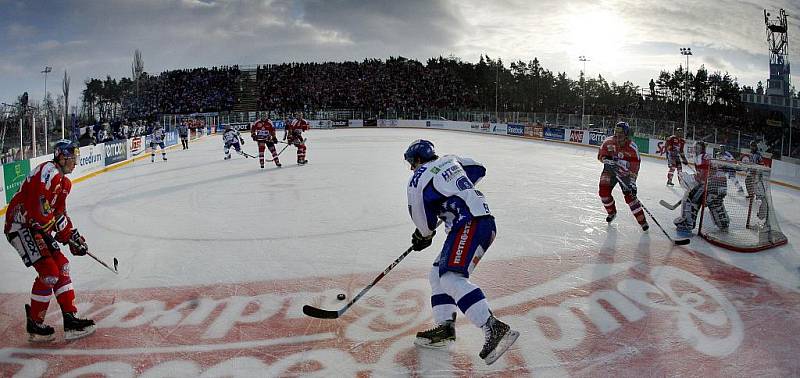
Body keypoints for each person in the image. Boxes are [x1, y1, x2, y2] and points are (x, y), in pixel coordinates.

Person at [404, 139, 519, 365]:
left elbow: (424, 224)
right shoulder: (450, 159)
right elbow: (478, 169)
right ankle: (445, 328)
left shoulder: (418, 178)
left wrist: (422, 236)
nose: (410, 168)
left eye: (411, 162)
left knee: (450, 278)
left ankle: (493, 327)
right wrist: (455, 193)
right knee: (437, 274)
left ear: (417, 160)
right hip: (481, 221)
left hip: (470, 223)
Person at [4, 139, 96, 342]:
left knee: (62, 266)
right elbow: (38, 207)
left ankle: (70, 319)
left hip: (36, 227)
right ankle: (35, 324)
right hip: (20, 226)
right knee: (49, 272)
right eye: (73, 158)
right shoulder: (48, 172)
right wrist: (60, 233)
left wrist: (71, 236)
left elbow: (58, 213)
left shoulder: (64, 183)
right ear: (62, 157)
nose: (76, 162)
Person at [598, 122, 649, 230]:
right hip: (610, 171)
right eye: (616, 133)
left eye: (620, 133)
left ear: (626, 135)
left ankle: (642, 222)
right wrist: (605, 159)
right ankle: (611, 212)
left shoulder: (632, 148)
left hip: (625, 174)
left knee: (631, 197)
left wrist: (632, 183)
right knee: (603, 193)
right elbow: (600, 155)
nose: (617, 136)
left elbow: (635, 168)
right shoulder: (608, 142)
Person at [674, 141, 729, 236]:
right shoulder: (706, 156)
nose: (695, 150)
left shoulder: (700, 157)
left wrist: (691, 179)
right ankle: (723, 224)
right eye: (695, 148)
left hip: (711, 186)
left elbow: (703, 177)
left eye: (697, 148)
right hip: (722, 186)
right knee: (715, 203)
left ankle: (687, 223)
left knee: (690, 198)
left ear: (702, 149)